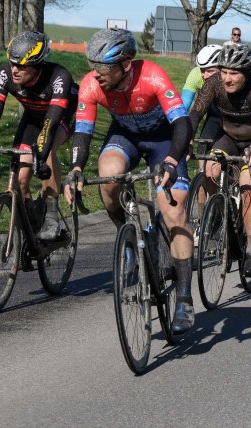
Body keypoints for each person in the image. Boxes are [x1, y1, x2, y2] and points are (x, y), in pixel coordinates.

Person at [64, 28, 196, 334]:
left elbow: (181, 122)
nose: (95, 74)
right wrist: (75, 169)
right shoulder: (90, 85)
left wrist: (174, 160)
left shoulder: (152, 76)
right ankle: (130, 236)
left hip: (164, 141)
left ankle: (185, 298)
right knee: (108, 178)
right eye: (92, 66)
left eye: (103, 68)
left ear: (125, 65)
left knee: (174, 212)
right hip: (126, 137)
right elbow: (82, 132)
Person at [0, 31, 78, 258]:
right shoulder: (5, 74)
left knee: (46, 151)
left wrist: (41, 158)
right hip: (33, 117)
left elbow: (50, 124)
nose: (15, 69)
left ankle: (51, 214)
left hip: (61, 117)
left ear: (37, 66)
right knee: (20, 178)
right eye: (12, 63)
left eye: (22, 66)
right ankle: (30, 223)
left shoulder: (59, 76)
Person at [187, 43, 251, 278]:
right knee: (210, 171)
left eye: (234, 73)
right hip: (228, 138)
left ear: (246, 72)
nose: (227, 78)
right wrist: (187, 139)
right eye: (224, 71)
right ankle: (217, 213)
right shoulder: (214, 83)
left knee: (247, 187)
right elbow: (196, 112)